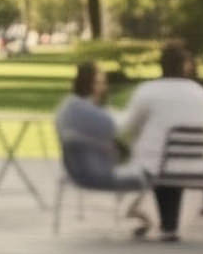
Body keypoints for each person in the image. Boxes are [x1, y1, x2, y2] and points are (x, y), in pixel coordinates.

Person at [115, 42, 203, 241]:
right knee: (168, 160)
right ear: (187, 66)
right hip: (197, 165)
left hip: (157, 166)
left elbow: (127, 126)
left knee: (155, 157)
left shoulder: (149, 91)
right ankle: (168, 225)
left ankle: (158, 221)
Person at [54, 60, 145, 193]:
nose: (103, 88)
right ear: (89, 84)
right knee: (149, 175)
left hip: (75, 171)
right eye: (99, 83)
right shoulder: (89, 113)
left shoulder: (68, 107)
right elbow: (118, 126)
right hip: (97, 172)